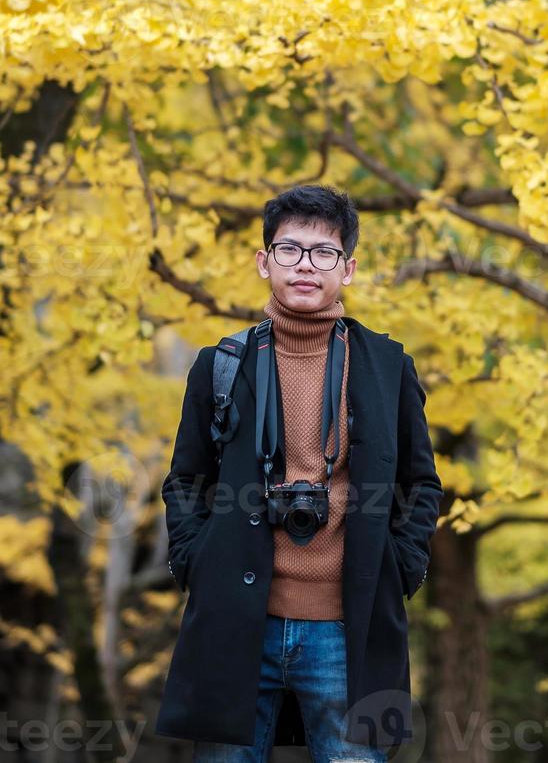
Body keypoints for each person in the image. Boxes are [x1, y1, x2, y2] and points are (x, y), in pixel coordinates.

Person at [155, 184, 444, 763]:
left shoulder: (388, 366)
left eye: (324, 253)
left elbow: (420, 484)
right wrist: (195, 560)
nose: (306, 265)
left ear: (349, 268)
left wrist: (400, 568)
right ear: (265, 262)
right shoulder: (221, 365)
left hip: (349, 626)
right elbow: (186, 481)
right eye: (289, 250)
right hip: (237, 619)